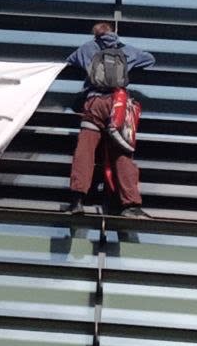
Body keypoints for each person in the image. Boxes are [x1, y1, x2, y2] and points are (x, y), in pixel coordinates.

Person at [65, 20, 155, 217]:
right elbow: (150, 59)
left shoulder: (87, 48)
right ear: (113, 33)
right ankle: (130, 205)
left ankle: (77, 201)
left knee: (85, 151)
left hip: (94, 103)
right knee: (122, 152)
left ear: (95, 34)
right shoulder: (126, 50)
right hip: (117, 105)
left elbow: (70, 60)